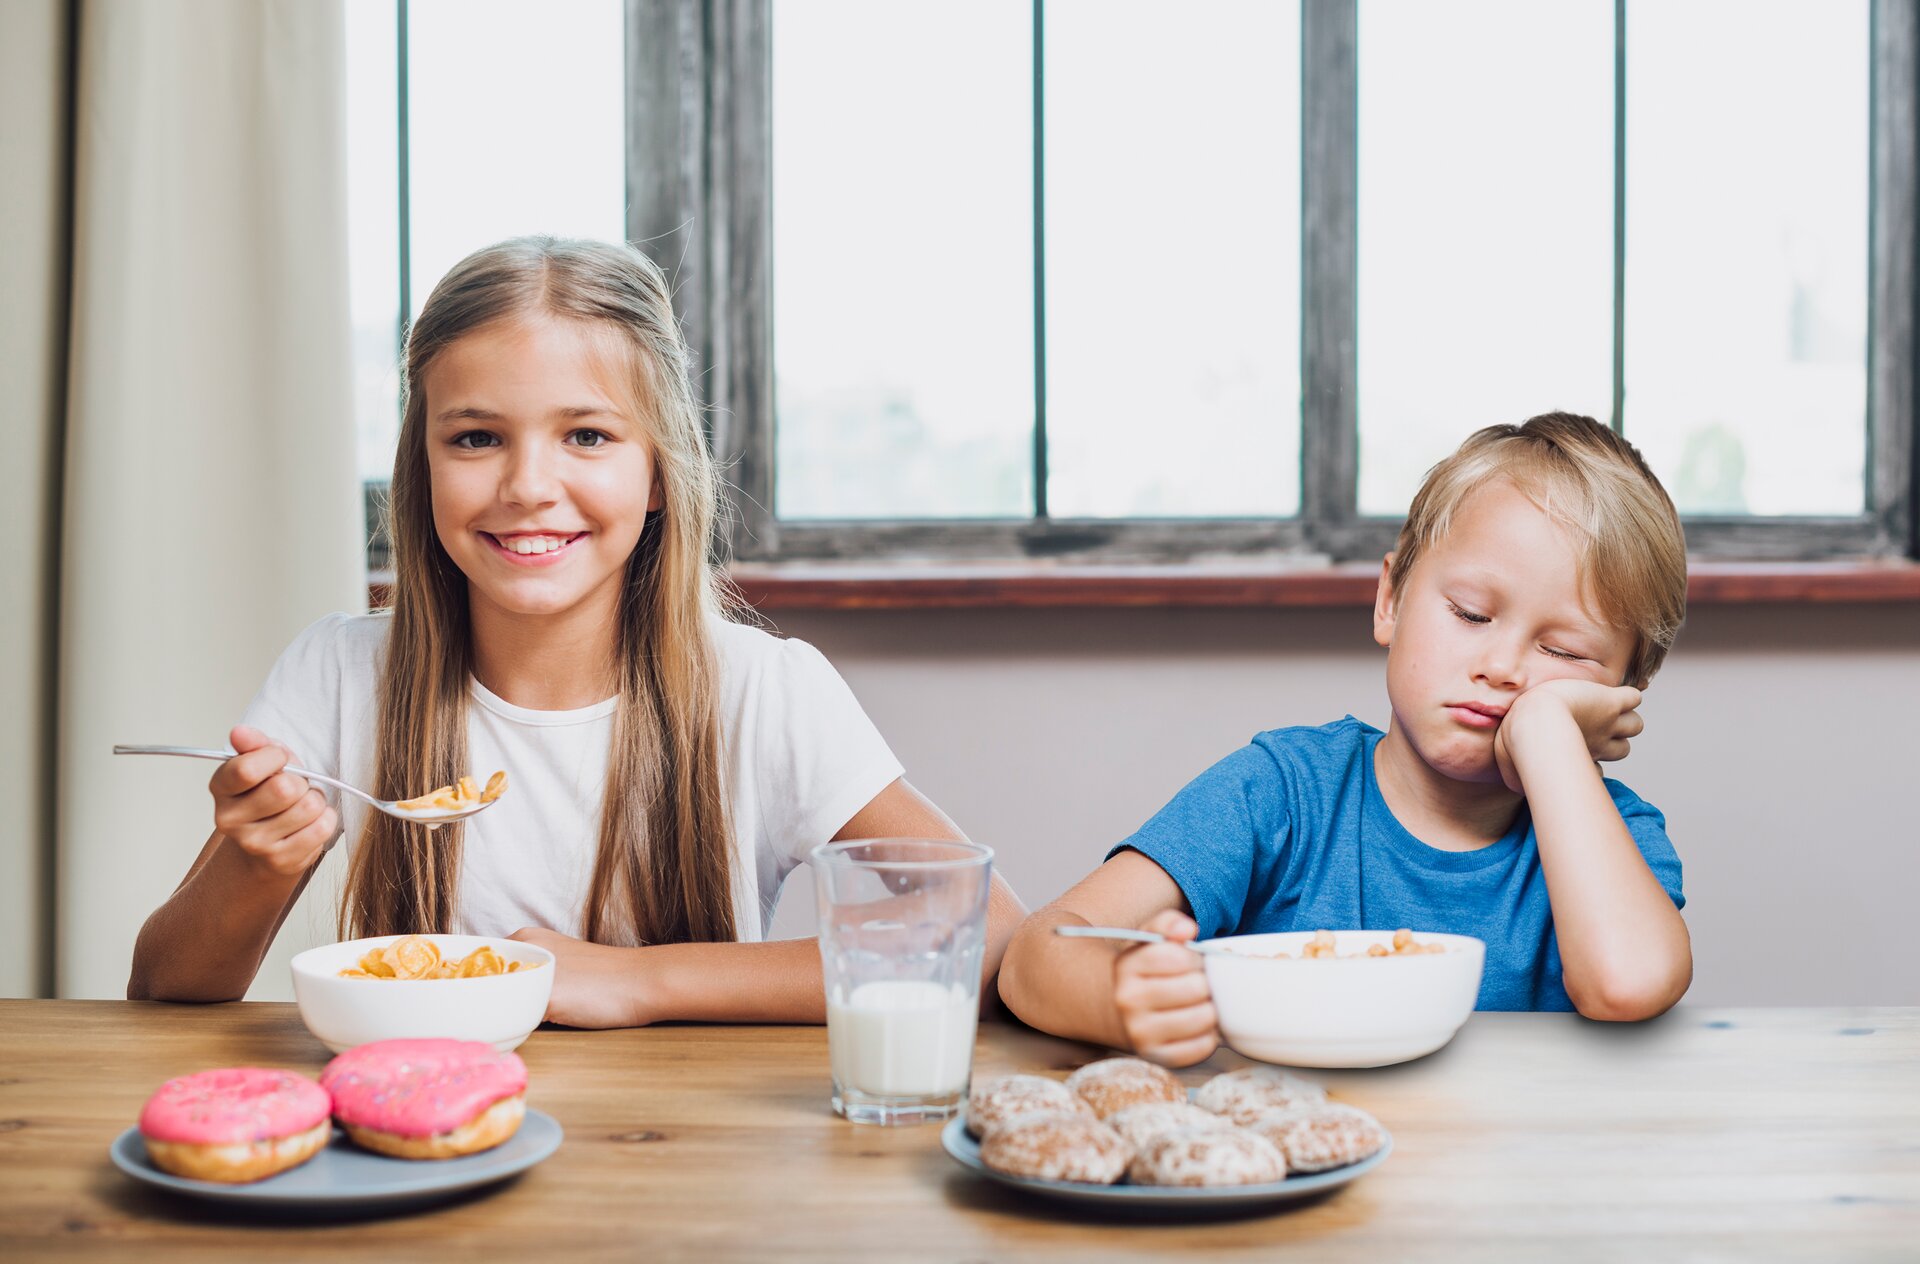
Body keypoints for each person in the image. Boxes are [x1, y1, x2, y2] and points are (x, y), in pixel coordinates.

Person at [128, 236, 1025, 1025]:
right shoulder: (338, 672)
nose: (526, 485)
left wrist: (641, 983)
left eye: (587, 436)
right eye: (476, 438)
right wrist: (255, 861)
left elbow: (985, 938)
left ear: (662, 472)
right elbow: (168, 989)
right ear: (422, 468)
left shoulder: (764, 691)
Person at [998, 413, 1692, 1065]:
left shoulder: (1615, 835)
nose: (1502, 668)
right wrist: (1121, 996)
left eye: (1564, 652)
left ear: (1624, 690)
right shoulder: (1283, 791)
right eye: (1471, 613)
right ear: (1390, 599)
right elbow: (1033, 959)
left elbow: (1627, 985)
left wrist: (1545, 734)